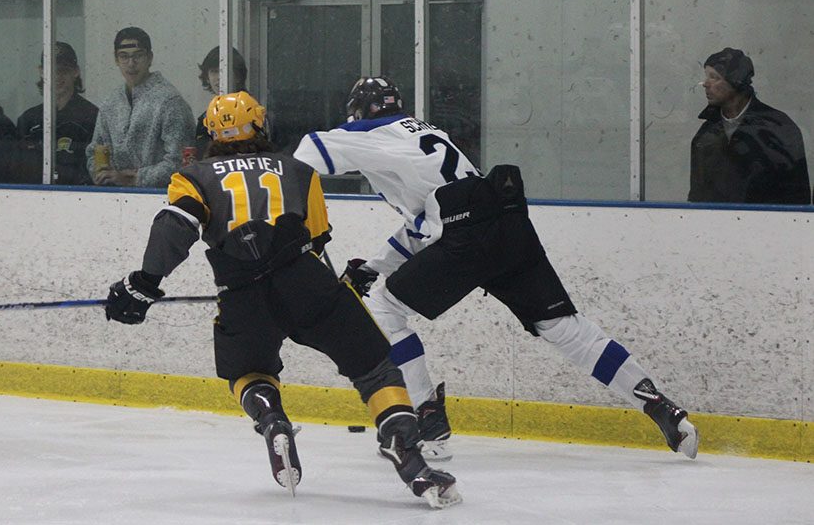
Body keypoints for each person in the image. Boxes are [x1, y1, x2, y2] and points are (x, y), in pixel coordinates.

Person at [293, 76, 700, 462]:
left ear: (359, 112)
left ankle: (427, 422)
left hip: (466, 236)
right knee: (563, 327)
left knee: (383, 308)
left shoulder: (369, 133)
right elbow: (432, 218)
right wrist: (376, 265)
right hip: (505, 222)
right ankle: (662, 408)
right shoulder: (424, 132)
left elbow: (307, 152)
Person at [103, 91, 461, 509]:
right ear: (260, 124)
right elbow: (316, 238)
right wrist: (330, 298)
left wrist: (144, 282)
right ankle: (406, 448)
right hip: (307, 281)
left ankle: (271, 417)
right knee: (375, 369)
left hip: (241, 293)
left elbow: (176, 225)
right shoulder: (297, 170)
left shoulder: (194, 176)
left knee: (248, 371)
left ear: (211, 133)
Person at [689, 47, 810, 204]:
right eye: (707, 77)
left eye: (714, 77)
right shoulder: (705, 135)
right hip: (717, 226)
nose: (705, 84)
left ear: (735, 81)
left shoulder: (778, 128)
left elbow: (798, 197)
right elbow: (697, 196)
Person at [86, 27, 194, 187]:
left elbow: (181, 162)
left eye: (138, 56)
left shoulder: (170, 102)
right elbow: (94, 151)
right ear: (116, 59)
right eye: (124, 56)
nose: (131, 63)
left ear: (150, 58)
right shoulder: (110, 103)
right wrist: (99, 172)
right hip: (113, 198)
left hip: (160, 198)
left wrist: (134, 178)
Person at [15, 42, 98, 185]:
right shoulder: (28, 120)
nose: (57, 76)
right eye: (51, 70)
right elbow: (17, 170)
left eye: (63, 70)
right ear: (41, 71)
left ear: (75, 72)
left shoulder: (92, 116)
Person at [193, 46, 248, 157]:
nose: (219, 77)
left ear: (238, 75)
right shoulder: (205, 120)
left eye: (225, 70)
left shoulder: (253, 113)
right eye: (214, 71)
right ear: (207, 77)